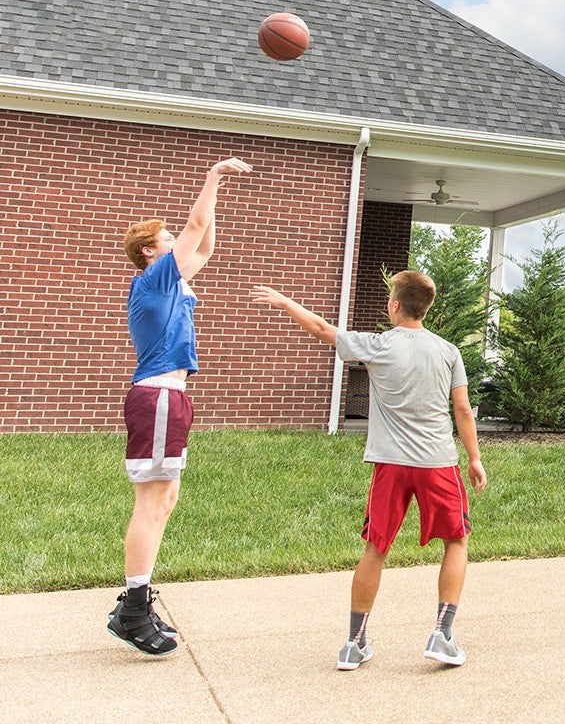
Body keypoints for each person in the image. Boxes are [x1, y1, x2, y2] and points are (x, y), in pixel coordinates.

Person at [252, 269, 486, 671]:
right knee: (456, 542)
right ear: (425, 308)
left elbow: (324, 330)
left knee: (376, 548)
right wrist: (475, 458)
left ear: (395, 305)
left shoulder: (377, 346)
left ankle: (354, 643)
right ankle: (442, 635)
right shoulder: (449, 351)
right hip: (437, 464)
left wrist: (286, 302)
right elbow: (462, 409)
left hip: (390, 465)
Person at [107, 156, 253, 657]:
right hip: (157, 397)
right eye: (167, 240)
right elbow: (195, 227)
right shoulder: (151, 281)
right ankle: (132, 610)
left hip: (171, 398)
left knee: (164, 501)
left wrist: (216, 204)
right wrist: (213, 178)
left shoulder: (171, 282)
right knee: (151, 504)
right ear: (150, 252)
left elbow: (203, 242)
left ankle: (137, 600)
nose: (177, 244)